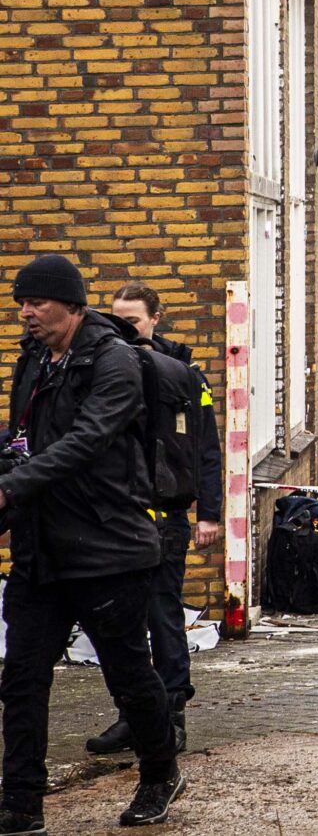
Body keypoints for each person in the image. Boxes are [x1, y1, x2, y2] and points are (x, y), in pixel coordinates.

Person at [0, 254, 183, 831]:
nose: (26, 313)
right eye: (21, 303)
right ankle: (21, 804)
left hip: (108, 549)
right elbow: (25, 440)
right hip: (40, 552)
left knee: (127, 674)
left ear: (73, 306)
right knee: (22, 680)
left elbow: (85, 441)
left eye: (38, 303)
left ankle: (160, 772)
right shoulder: (34, 361)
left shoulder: (116, 362)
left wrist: (11, 488)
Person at [87, 283, 219, 761]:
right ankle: (133, 715)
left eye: (134, 322)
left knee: (162, 615)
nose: (125, 331)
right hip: (114, 515)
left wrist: (209, 513)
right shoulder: (103, 370)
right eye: (117, 321)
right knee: (120, 620)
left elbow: (206, 448)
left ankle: (172, 714)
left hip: (163, 516)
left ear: (156, 319)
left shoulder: (182, 375)